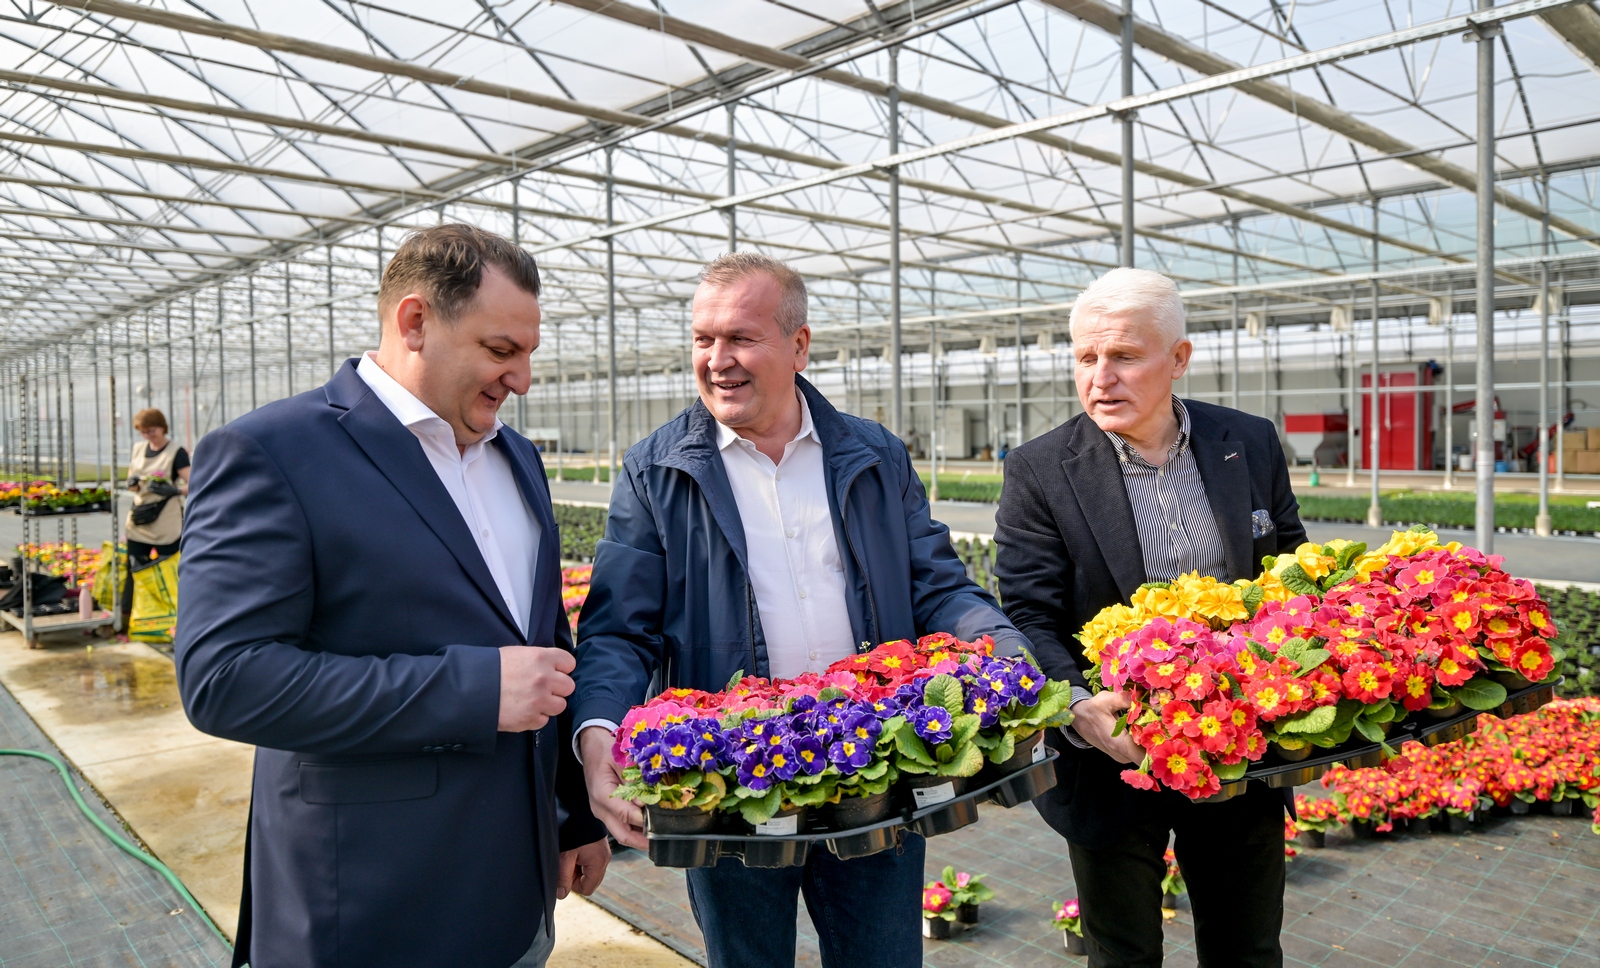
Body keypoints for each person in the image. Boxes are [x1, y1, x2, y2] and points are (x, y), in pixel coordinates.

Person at [571, 253, 1031, 968]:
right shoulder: (657, 470)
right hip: (732, 788)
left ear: (799, 345)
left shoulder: (874, 455)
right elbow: (617, 632)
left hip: (875, 774)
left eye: (741, 338)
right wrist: (597, 731)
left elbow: (938, 586)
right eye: (703, 340)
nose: (717, 360)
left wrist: (1005, 650)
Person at [175, 224, 609, 968]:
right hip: (370, 907)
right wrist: (474, 689)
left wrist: (572, 815)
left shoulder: (517, 457)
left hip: (517, 896)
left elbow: (545, 648)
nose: (523, 379)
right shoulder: (274, 452)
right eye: (501, 350)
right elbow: (225, 679)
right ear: (415, 322)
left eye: (529, 352)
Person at [993, 267, 1306, 968]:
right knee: (1123, 954)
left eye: (1124, 356)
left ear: (1178, 359)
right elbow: (1030, 615)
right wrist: (1078, 706)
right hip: (1113, 756)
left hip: (1240, 748)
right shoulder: (1041, 469)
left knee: (1248, 949)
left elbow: (1291, 574)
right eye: (1085, 357)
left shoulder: (1248, 442)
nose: (1100, 377)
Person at [121, 408, 189, 623]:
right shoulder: (138, 449)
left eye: (151, 431)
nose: (148, 435)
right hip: (140, 518)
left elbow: (195, 483)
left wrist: (175, 490)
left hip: (166, 520)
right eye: (143, 432)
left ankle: (174, 618)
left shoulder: (176, 452)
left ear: (162, 427)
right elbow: (132, 482)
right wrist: (132, 483)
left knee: (169, 569)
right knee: (133, 569)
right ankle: (128, 618)